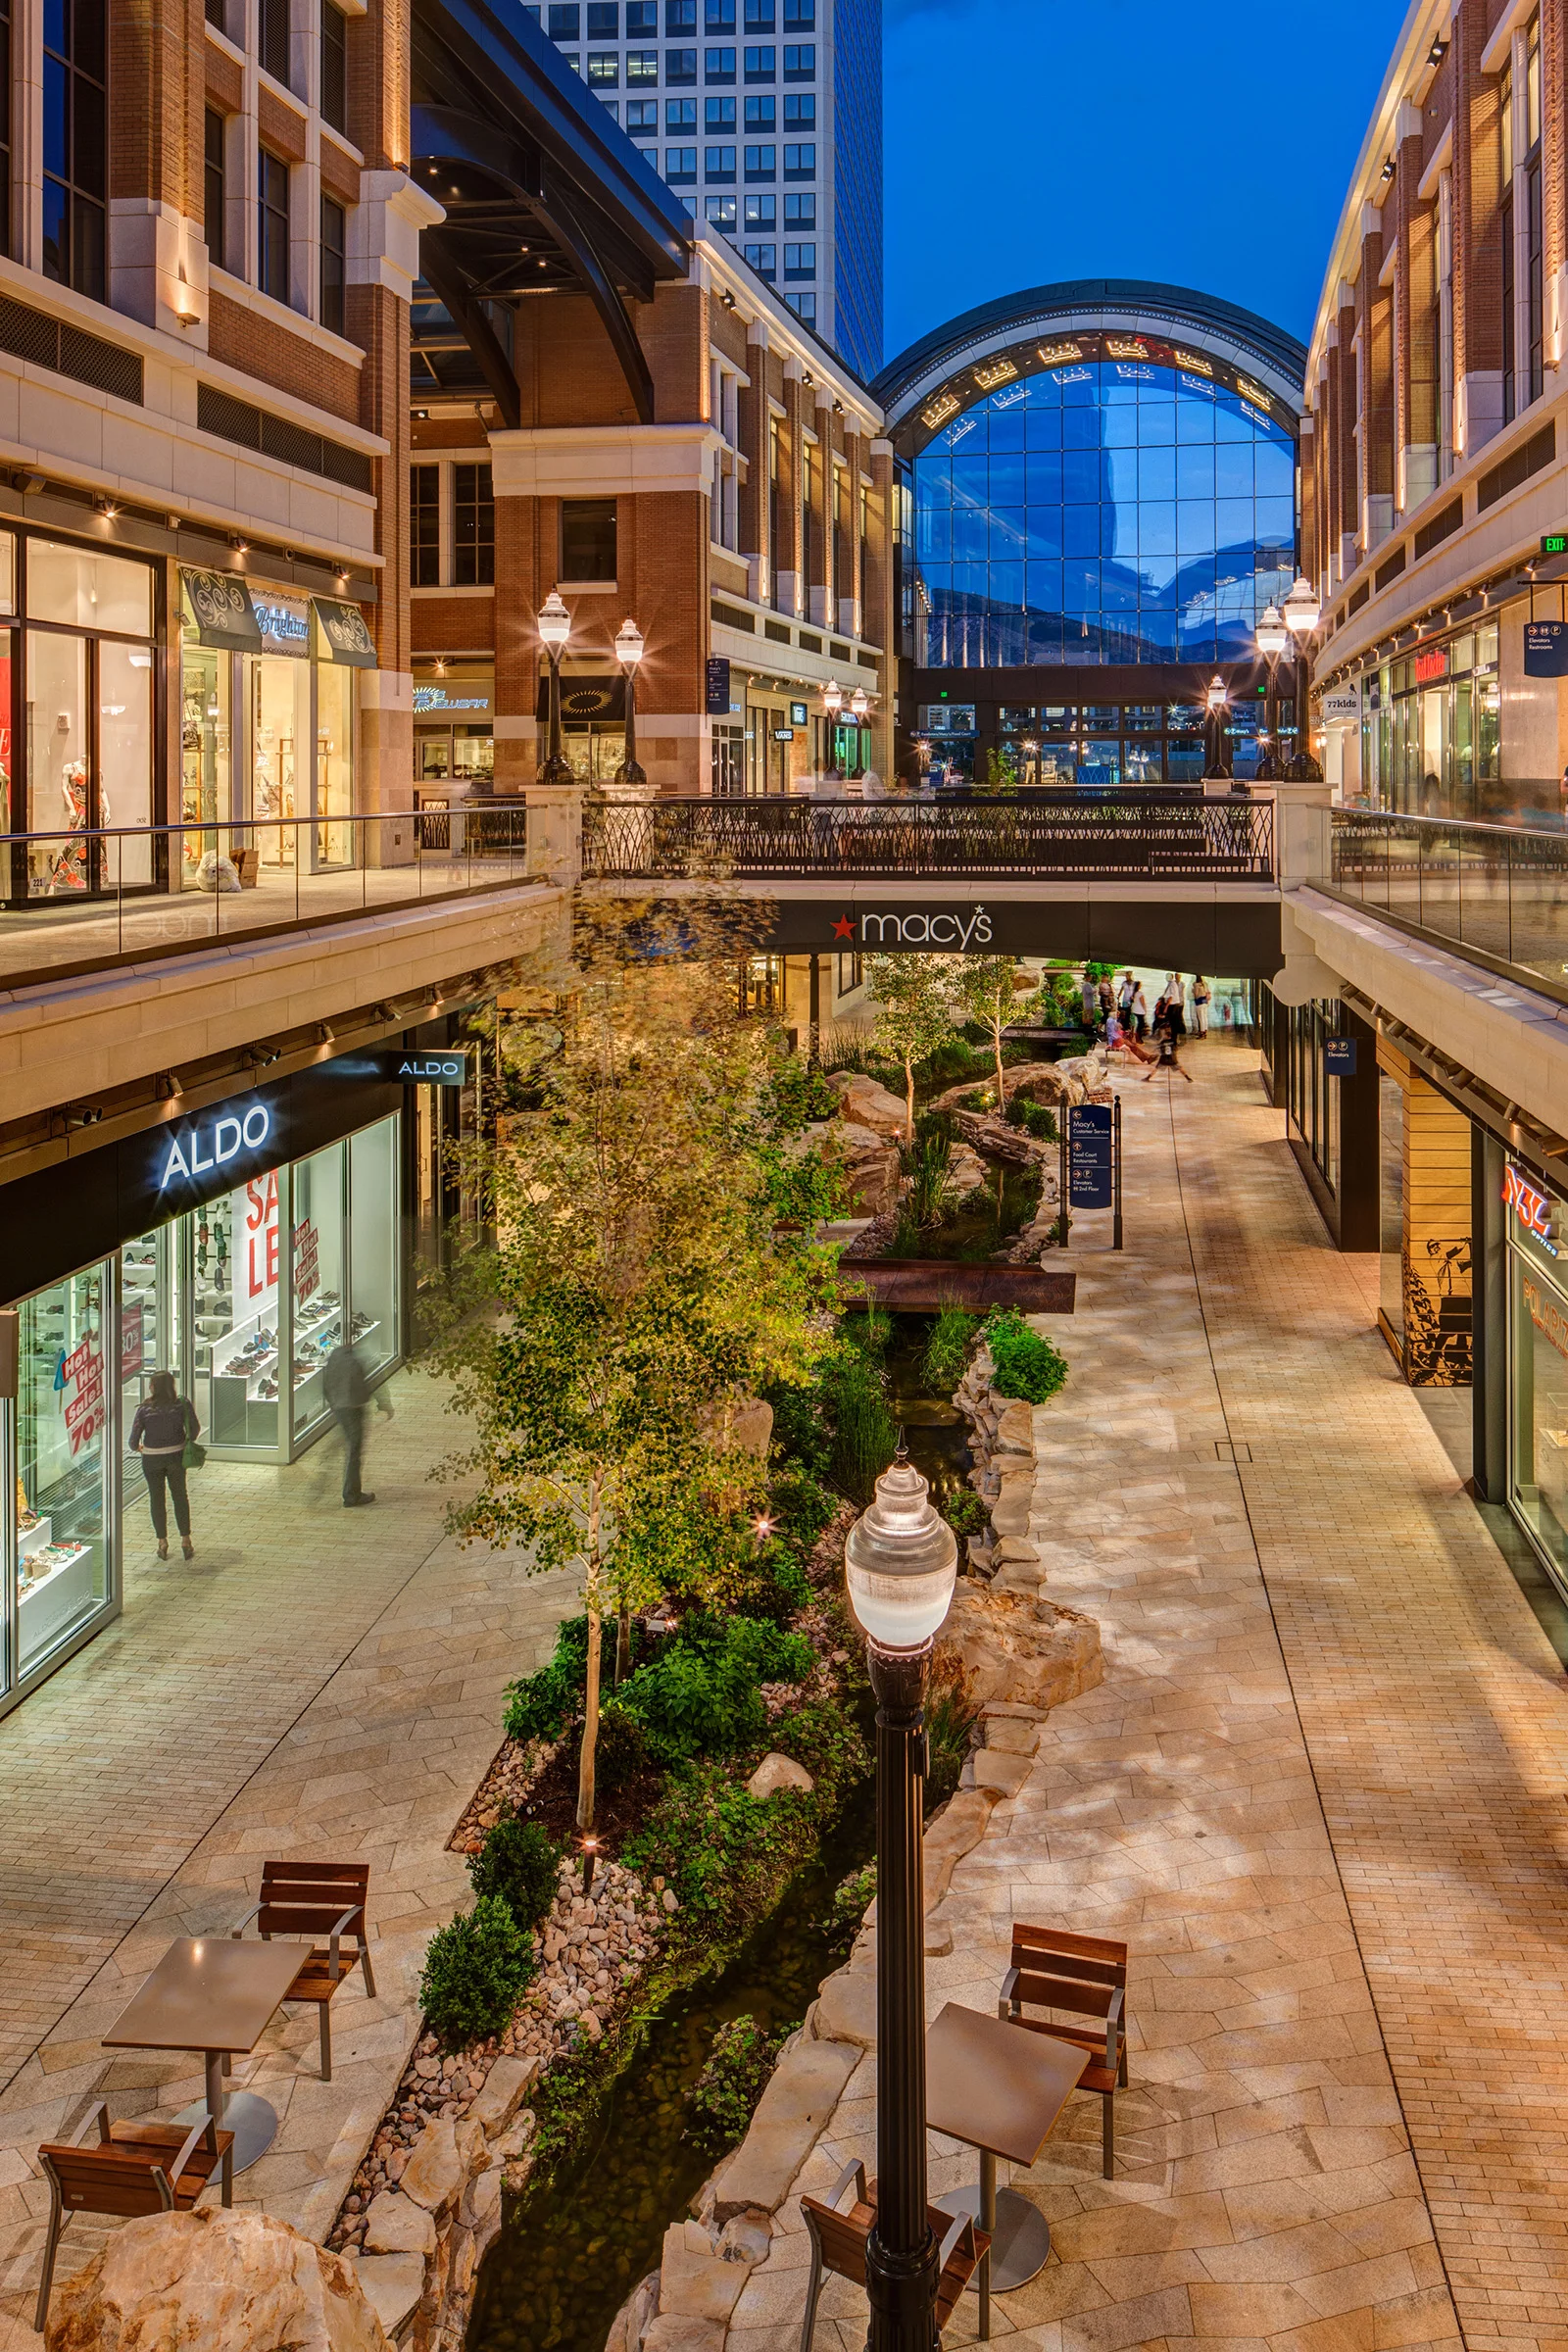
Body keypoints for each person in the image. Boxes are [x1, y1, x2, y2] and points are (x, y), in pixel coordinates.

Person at [129, 1370, 199, 1561]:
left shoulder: (144, 1409)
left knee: (157, 1499)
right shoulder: (181, 1404)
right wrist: (184, 1442)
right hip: (176, 1456)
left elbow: (133, 1441)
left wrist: (140, 1447)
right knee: (180, 1496)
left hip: (152, 1459)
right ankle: (186, 1540)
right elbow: (194, 1429)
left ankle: (162, 1542)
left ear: (153, 1387)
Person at [323, 1341, 393, 1507]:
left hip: (339, 1408)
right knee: (354, 1451)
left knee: (351, 1446)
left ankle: (350, 1490)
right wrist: (384, 1404)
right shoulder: (357, 1360)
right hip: (353, 1409)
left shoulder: (335, 1356)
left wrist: (333, 1402)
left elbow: (326, 1384)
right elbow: (373, 1383)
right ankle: (351, 1495)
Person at [1145, 1015, 1194, 1084]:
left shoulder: (1162, 1042)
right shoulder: (1173, 1042)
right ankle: (1187, 1078)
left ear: (1166, 1036)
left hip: (1164, 1058)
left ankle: (1148, 1077)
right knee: (1179, 1068)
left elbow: (1160, 1050)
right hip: (1172, 1058)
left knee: (1156, 1068)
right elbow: (1176, 1049)